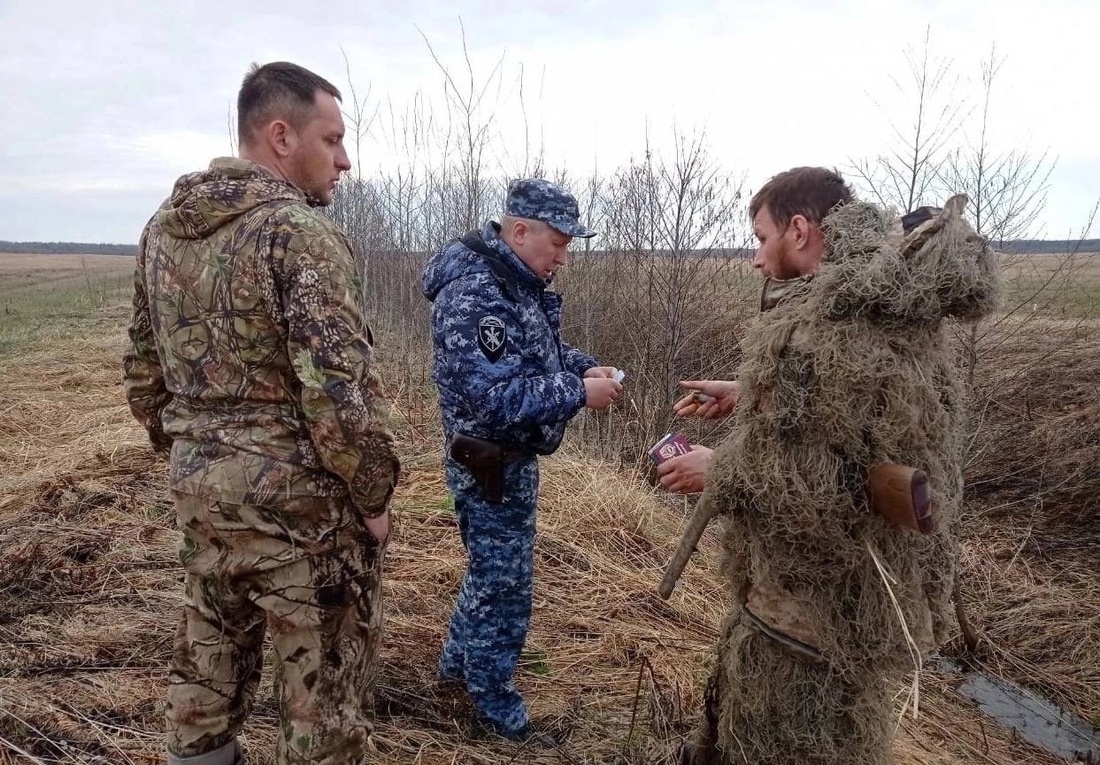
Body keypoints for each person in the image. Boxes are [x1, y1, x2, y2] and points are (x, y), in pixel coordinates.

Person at [670, 167, 999, 764]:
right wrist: (751, 393)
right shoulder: (886, 310)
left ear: (799, 230)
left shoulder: (833, 327)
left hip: (806, 622)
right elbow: (851, 424)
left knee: (783, 746)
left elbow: (817, 486)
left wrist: (715, 468)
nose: (754, 257)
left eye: (759, 234)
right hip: (847, 610)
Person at [122, 61, 400, 765]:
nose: (344, 159)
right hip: (303, 523)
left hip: (204, 505)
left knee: (205, 686)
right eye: (331, 138)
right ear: (280, 135)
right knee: (321, 713)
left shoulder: (162, 232)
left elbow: (144, 380)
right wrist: (372, 497)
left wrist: (203, 458)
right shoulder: (296, 236)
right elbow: (339, 397)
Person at [421, 178, 622, 744]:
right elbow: (494, 400)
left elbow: (539, 355)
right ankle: (494, 710)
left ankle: (457, 672)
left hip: (508, 464)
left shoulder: (519, 283)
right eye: (557, 243)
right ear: (519, 231)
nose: (564, 255)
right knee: (506, 590)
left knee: (490, 576)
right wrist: (577, 393)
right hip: (489, 464)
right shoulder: (477, 294)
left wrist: (584, 368)